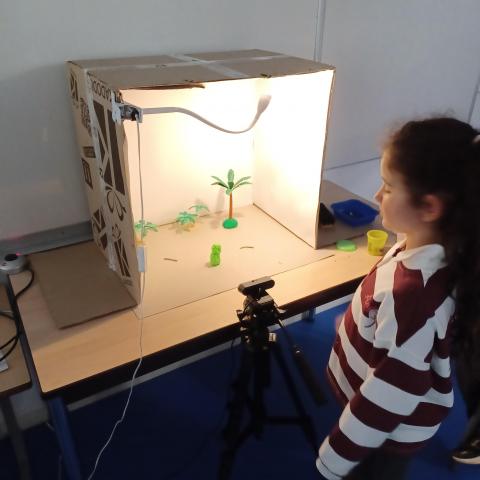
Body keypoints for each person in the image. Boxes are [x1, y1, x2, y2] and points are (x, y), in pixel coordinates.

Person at [316, 117, 480, 479]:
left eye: (388, 187)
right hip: (377, 407)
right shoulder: (424, 247)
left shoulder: (413, 296)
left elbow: (389, 395)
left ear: (429, 208)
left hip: (385, 434)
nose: (377, 195)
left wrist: (333, 460)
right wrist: (361, 324)